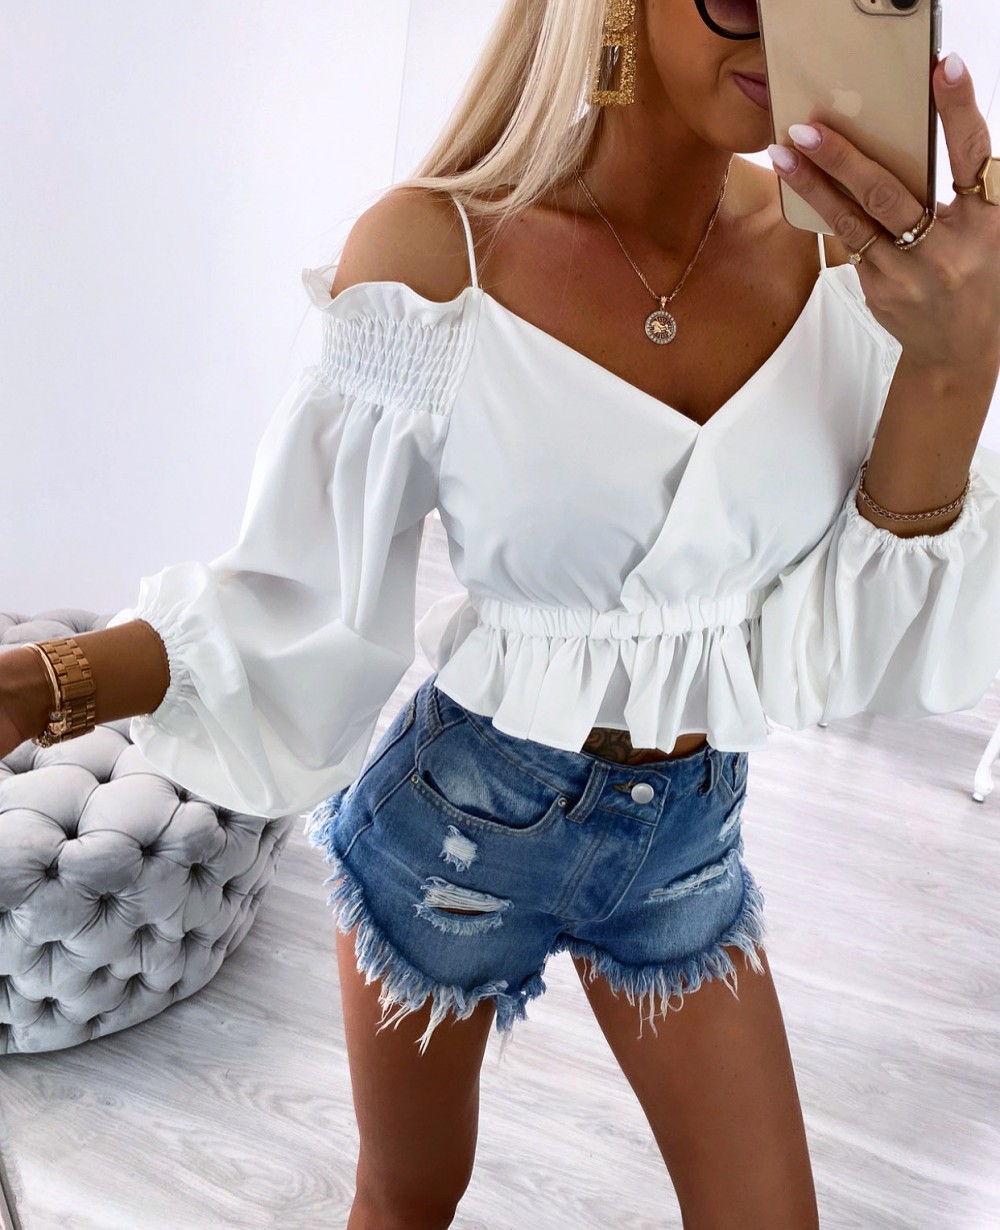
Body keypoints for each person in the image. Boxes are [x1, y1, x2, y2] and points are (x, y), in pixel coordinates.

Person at [3, 1, 999, 1226]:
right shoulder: (437, 257)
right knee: (410, 1196)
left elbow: (858, 652)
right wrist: (33, 686)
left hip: (686, 843)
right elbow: (287, 604)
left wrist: (958, 362)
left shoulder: (849, 269)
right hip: (455, 836)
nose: (777, 35)